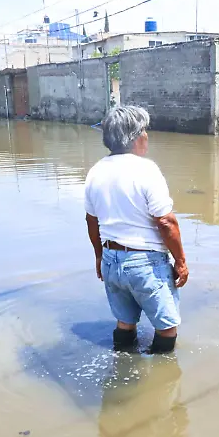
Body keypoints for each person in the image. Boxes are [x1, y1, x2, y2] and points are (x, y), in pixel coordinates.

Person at [84, 105, 188, 353]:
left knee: (125, 322)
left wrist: (100, 256)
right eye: (144, 130)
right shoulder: (146, 169)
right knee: (166, 327)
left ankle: (122, 367)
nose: (147, 136)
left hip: (111, 259)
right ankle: (158, 383)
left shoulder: (95, 171)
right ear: (136, 136)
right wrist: (181, 261)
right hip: (145, 263)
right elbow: (166, 222)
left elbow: (91, 221)